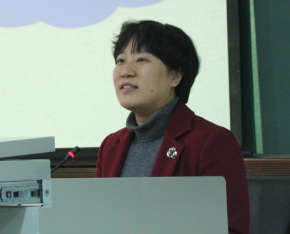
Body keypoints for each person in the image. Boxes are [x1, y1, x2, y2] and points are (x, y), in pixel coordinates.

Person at [95, 20, 249, 234]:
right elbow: (98, 222)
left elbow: (230, 229)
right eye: (120, 60)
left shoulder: (211, 142)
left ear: (175, 76)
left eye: (141, 59)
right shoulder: (111, 146)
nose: (125, 71)